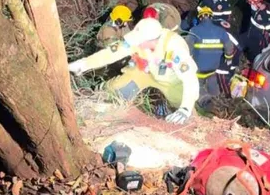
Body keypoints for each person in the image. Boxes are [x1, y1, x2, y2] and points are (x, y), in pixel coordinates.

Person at [68, 18, 200, 125]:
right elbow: (111, 53)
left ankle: (191, 119)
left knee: (186, 117)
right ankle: (98, 93)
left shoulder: (174, 48)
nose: (135, 44)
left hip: (172, 82)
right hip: (144, 73)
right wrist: (84, 64)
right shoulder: (137, 41)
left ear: (152, 40)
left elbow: (190, 79)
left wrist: (186, 108)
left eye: (139, 41)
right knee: (117, 89)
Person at [185, 7, 235, 110]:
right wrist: (228, 58)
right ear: (211, 17)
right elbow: (229, 47)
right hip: (213, 68)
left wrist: (187, 60)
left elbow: (187, 48)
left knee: (197, 86)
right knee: (212, 82)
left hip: (198, 69)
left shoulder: (194, 30)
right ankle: (217, 100)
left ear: (200, 18)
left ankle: (205, 103)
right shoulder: (221, 31)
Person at [239, 0, 270, 64]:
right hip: (249, 36)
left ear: (258, 3)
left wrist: (269, 46)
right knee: (237, 42)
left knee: (255, 60)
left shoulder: (266, 15)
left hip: (258, 42)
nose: (251, 5)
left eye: (252, 3)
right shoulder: (255, 10)